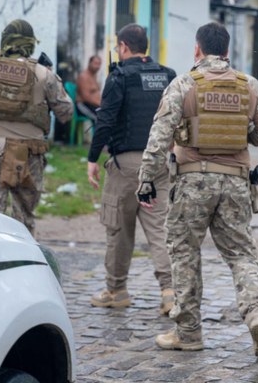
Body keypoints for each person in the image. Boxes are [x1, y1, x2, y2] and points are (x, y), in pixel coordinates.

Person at [136, 21, 258, 357]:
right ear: (227, 51)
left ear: (198, 49)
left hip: (192, 181)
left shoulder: (184, 84)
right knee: (242, 254)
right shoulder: (249, 86)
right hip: (235, 181)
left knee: (185, 252)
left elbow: (159, 137)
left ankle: (188, 333)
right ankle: (257, 315)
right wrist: (244, 136)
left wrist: (146, 179)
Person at [86, 24, 177, 314]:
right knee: (160, 230)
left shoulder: (119, 76)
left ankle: (116, 290)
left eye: (117, 47)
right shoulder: (168, 76)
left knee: (118, 229)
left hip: (126, 166)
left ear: (124, 46)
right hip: (160, 164)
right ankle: (170, 292)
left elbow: (106, 120)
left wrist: (92, 159)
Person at [0, 19, 73, 236]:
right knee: (24, 221)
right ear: (31, 44)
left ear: (4, 41)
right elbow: (66, 113)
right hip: (28, 156)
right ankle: (22, 263)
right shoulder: (43, 74)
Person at [76, 55, 102, 122]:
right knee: (101, 118)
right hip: (83, 106)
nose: (97, 66)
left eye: (99, 64)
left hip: (93, 105)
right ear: (89, 63)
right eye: (95, 63)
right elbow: (86, 98)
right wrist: (100, 104)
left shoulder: (94, 76)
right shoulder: (84, 76)